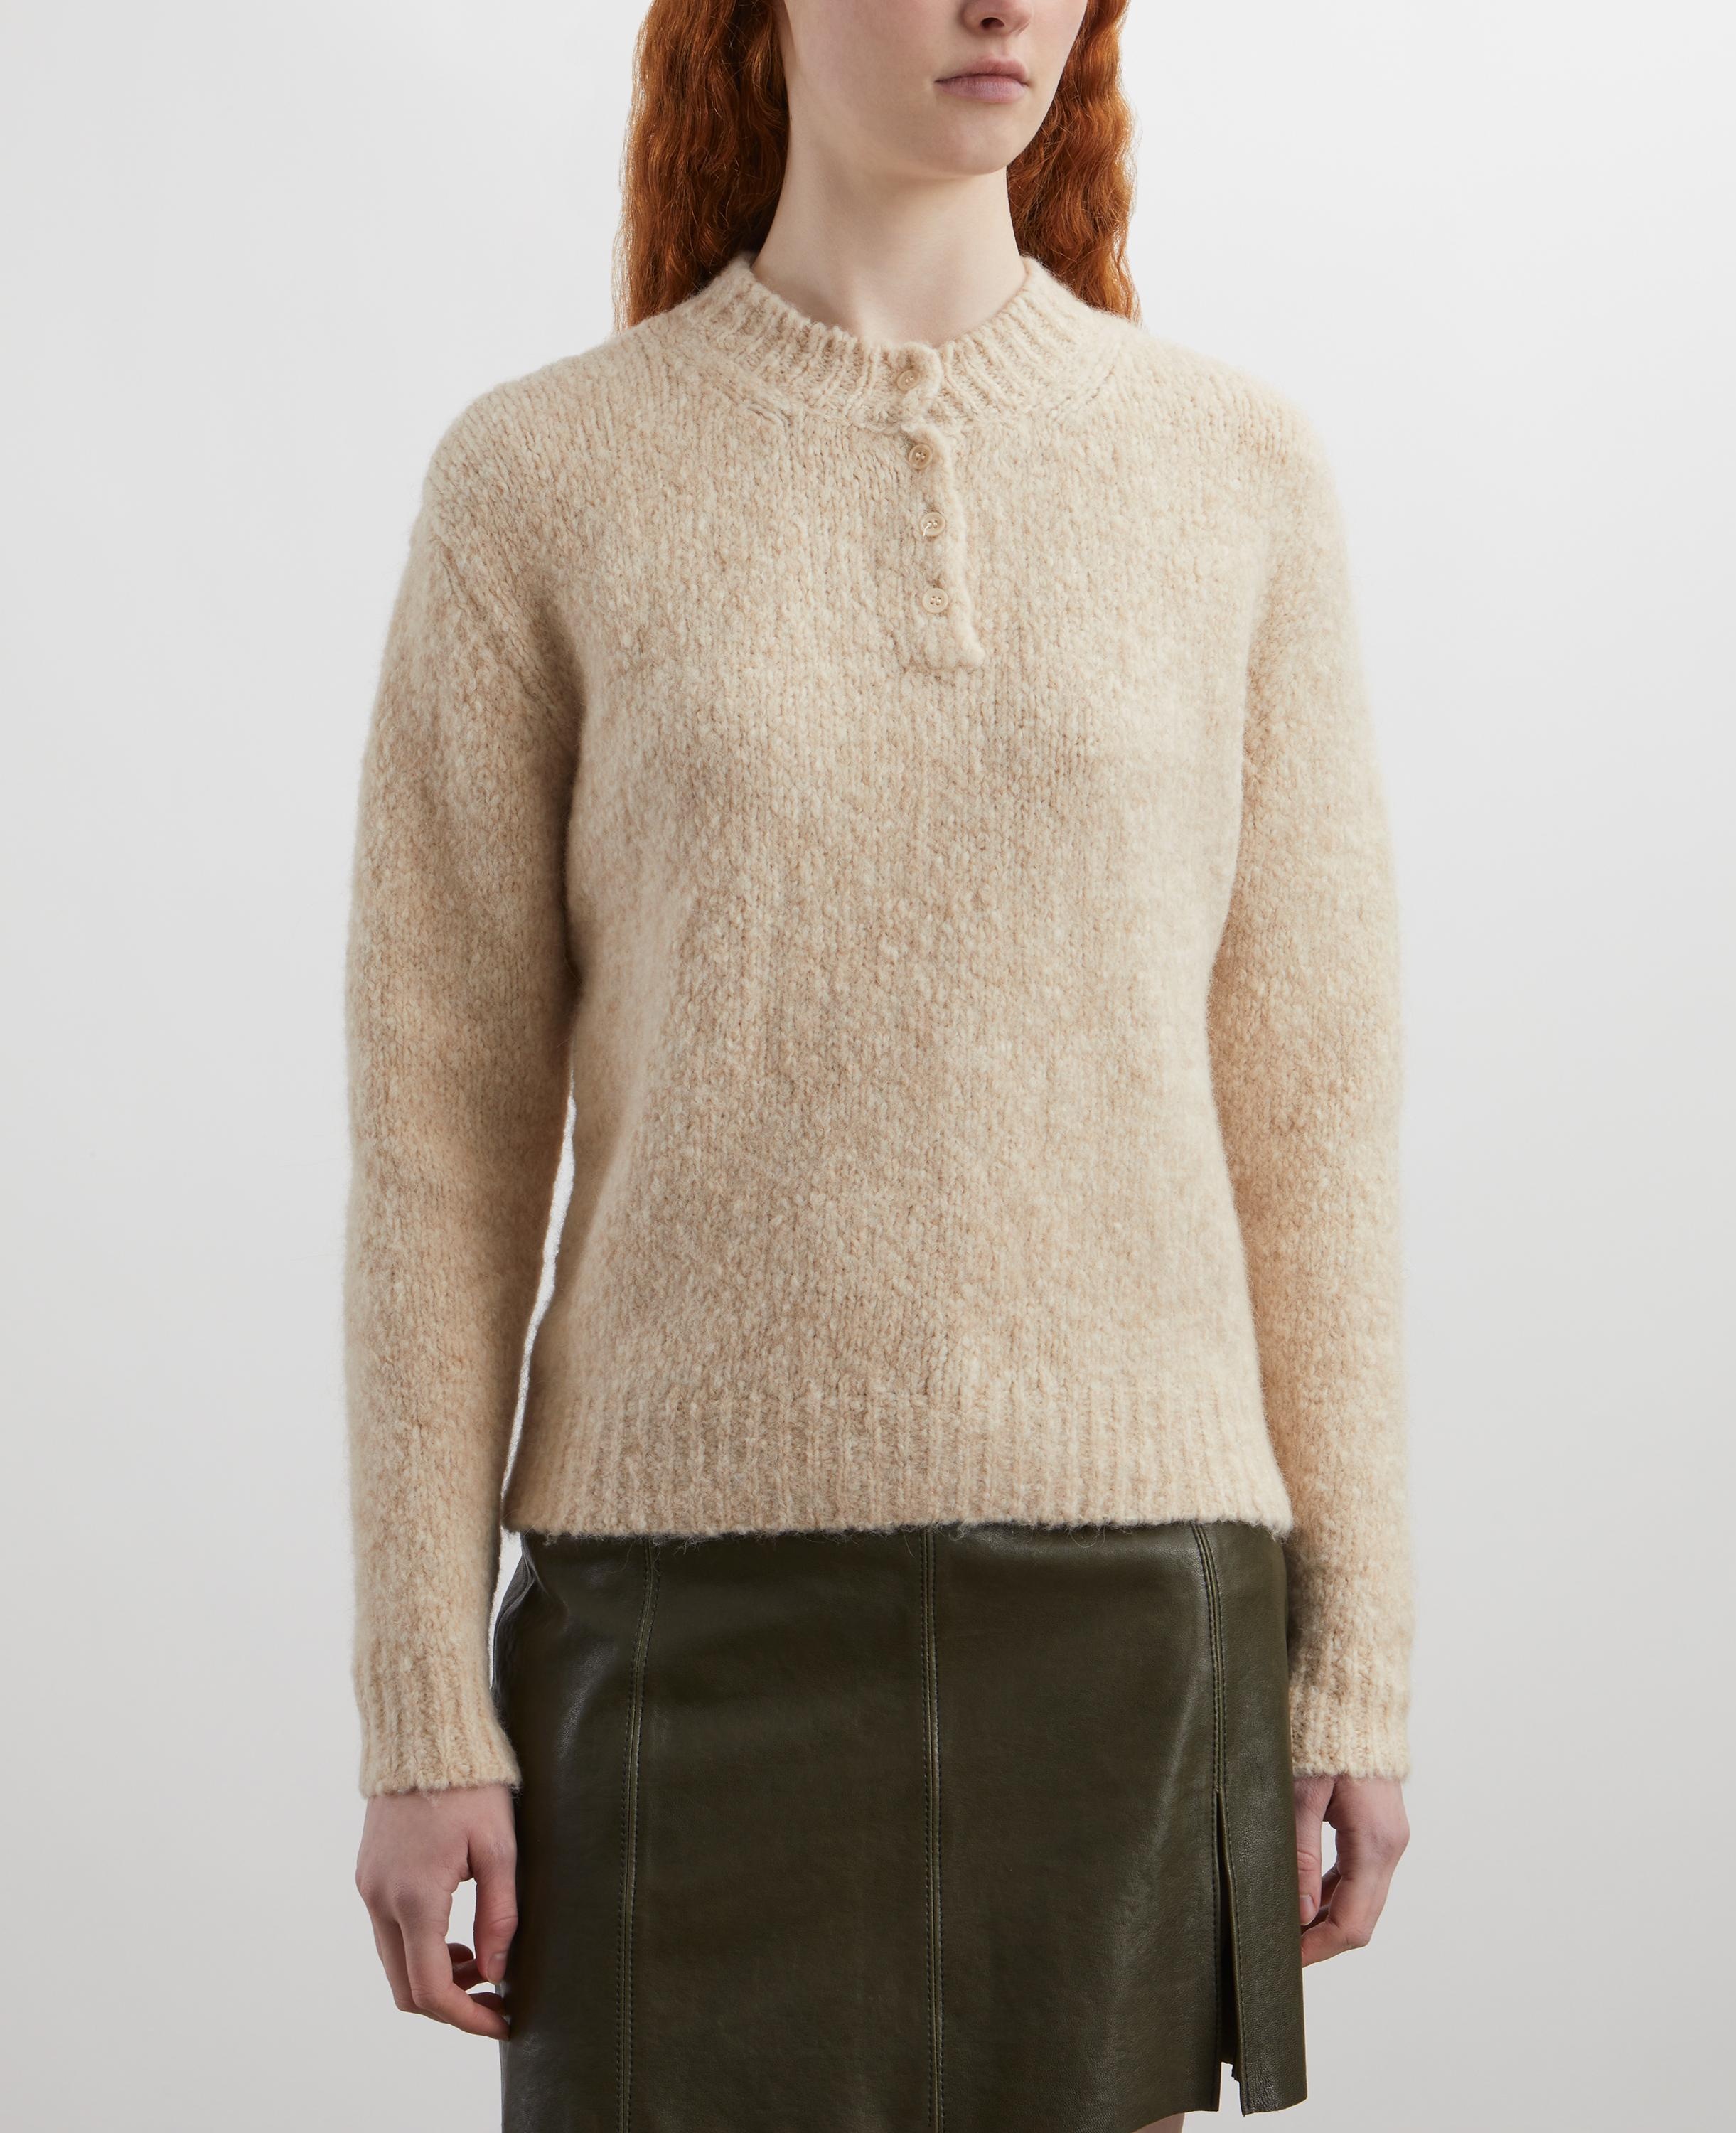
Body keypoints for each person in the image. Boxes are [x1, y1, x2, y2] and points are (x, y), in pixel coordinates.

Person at [344, 1, 1413, 2124]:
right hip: (675, 1619)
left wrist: (1358, 1659)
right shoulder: (541, 480)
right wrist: (418, 1703)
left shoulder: (1235, 473)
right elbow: (435, 1143)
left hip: (1135, 1618)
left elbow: (1312, 1116)